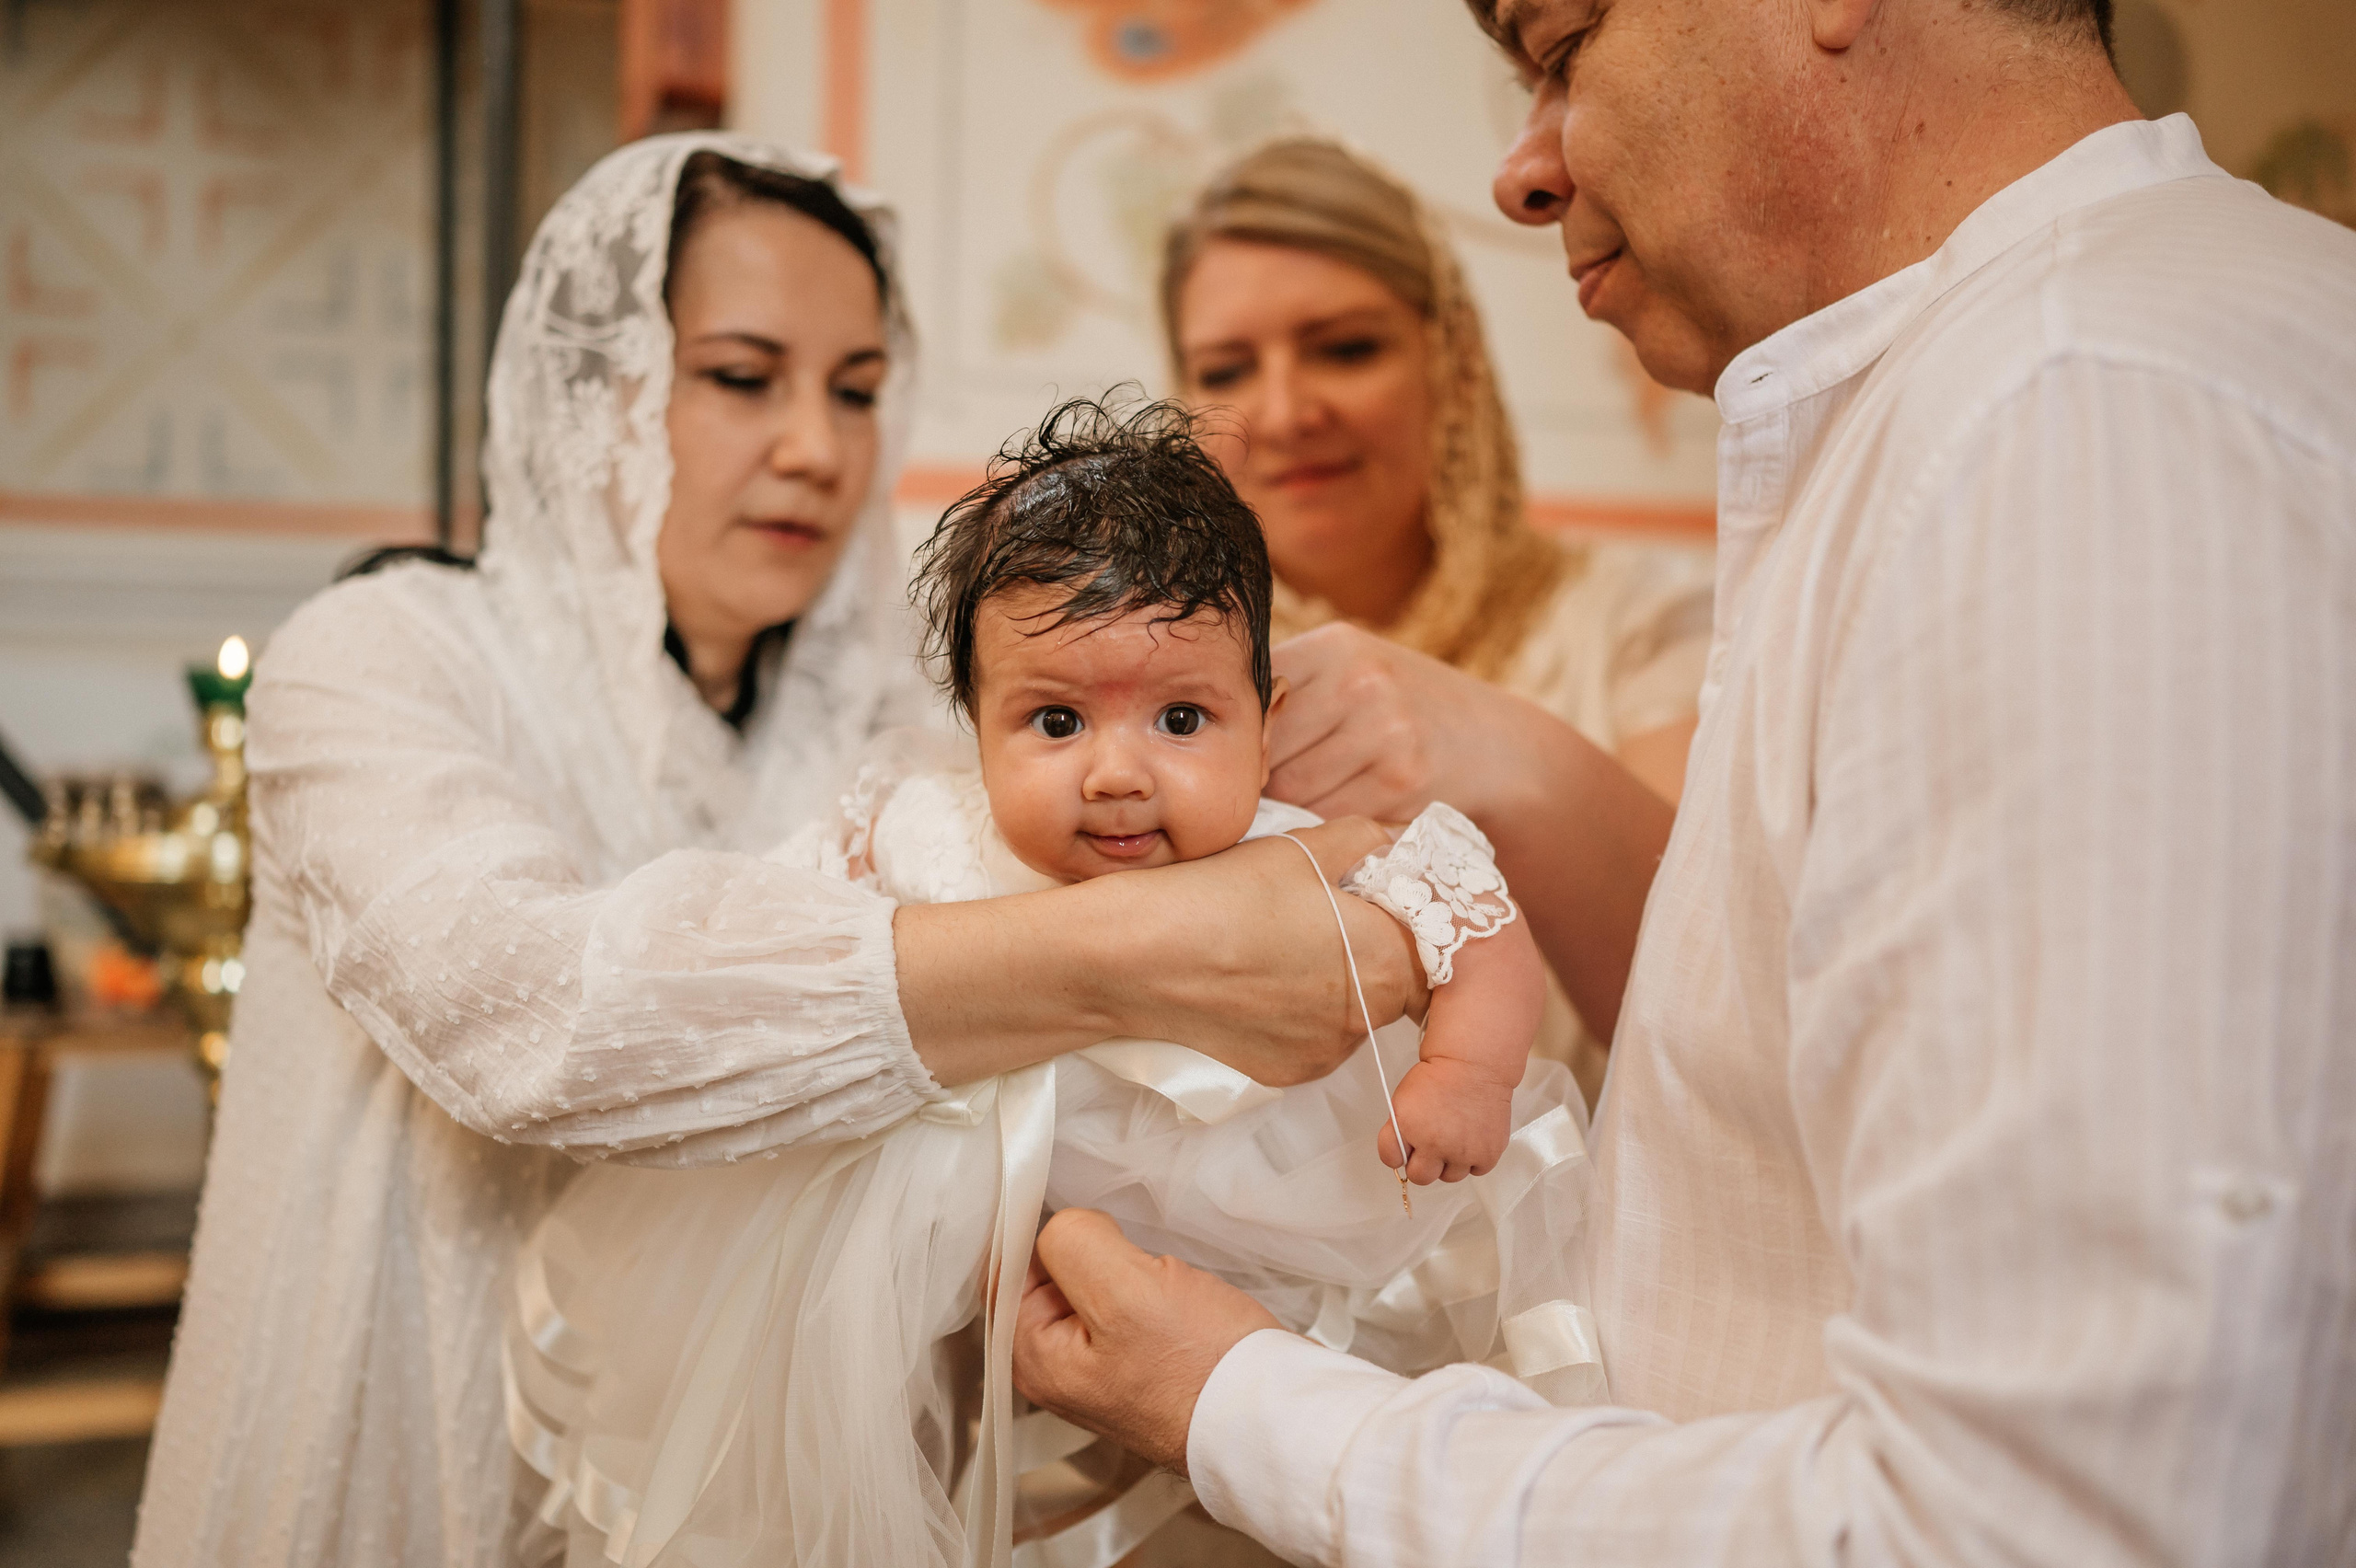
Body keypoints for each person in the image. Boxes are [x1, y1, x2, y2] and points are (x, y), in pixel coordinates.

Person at [1011, 0, 2356, 1562]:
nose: (1521, 171)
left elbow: (2046, 1513)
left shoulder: (2080, 420)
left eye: (1562, 44)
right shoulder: (1997, 402)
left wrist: (1239, 1396)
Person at [130, 138, 1433, 1568]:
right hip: (410, 1444)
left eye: (860, 390)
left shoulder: (900, 716)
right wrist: (1137, 955)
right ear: (600, 386)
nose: (818, 444)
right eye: (744, 376)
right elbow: (527, 1010)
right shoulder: (385, 653)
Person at [499, 398, 1583, 1567]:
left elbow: (1477, 917)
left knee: (1273, 1484)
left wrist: (1467, 1069)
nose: (1118, 774)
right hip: (976, 1247)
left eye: (1182, 718)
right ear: (975, 727)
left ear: (1263, 722)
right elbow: (776, 930)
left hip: (1281, 1232)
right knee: (928, 1451)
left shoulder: (1316, 839)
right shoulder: (929, 830)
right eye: (1055, 721)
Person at [1164, 136, 1712, 1100]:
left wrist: (1509, 756)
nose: (1285, 411)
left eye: (1346, 348)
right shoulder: (1149, 667)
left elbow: (1719, 1008)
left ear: (1451, 360)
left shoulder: (1637, 625)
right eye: (1227, 369)